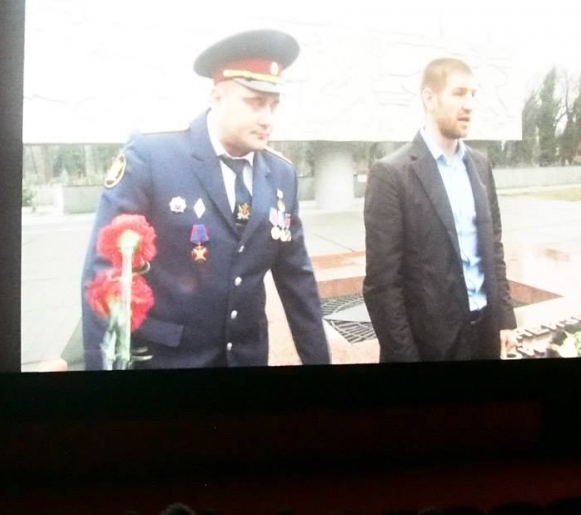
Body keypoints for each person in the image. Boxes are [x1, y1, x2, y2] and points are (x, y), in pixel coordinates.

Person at [81, 29, 331, 369]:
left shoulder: (281, 175)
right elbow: (106, 273)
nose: (267, 120)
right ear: (216, 96)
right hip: (168, 360)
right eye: (255, 103)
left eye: (274, 106)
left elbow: (297, 280)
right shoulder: (153, 155)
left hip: (246, 357)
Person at [362, 57, 517, 362]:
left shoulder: (480, 166)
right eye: (459, 93)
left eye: (473, 94)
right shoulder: (391, 174)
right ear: (430, 99)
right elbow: (382, 286)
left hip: (485, 335)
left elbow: (493, 248)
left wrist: (505, 318)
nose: (470, 104)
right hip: (428, 347)